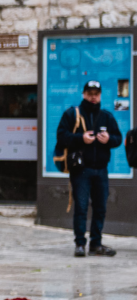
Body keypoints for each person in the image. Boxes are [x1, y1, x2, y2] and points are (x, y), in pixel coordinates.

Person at [57, 80, 122, 257]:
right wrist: (81, 138)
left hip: (101, 169)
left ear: (100, 95)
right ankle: (80, 244)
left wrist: (108, 139)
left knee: (100, 208)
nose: (93, 97)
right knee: (81, 207)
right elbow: (61, 136)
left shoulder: (107, 116)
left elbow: (118, 138)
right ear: (84, 94)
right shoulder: (72, 114)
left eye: (96, 94)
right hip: (81, 170)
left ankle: (96, 244)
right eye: (90, 93)